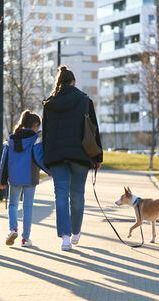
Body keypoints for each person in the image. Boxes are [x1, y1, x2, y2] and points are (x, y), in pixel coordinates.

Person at [42, 65, 103, 251]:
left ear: (59, 82)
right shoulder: (85, 101)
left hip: (57, 156)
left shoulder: (49, 104)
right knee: (77, 195)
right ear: (73, 82)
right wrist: (97, 157)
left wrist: (47, 157)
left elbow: (45, 134)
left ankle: (65, 238)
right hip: (80, 155)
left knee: (61, 195)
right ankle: (76, 232)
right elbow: (93, 130)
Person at [0, 110, 50, 247]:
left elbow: (4, 160)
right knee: (28, 207)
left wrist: (1, 180)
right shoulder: (36, 140)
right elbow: (39, 158)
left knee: (13, 205)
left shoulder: (11, 139)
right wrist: (51, 171)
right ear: (35, 125)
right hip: (30, 176)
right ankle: (25, 239)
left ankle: (13, 229)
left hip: (14, 177)